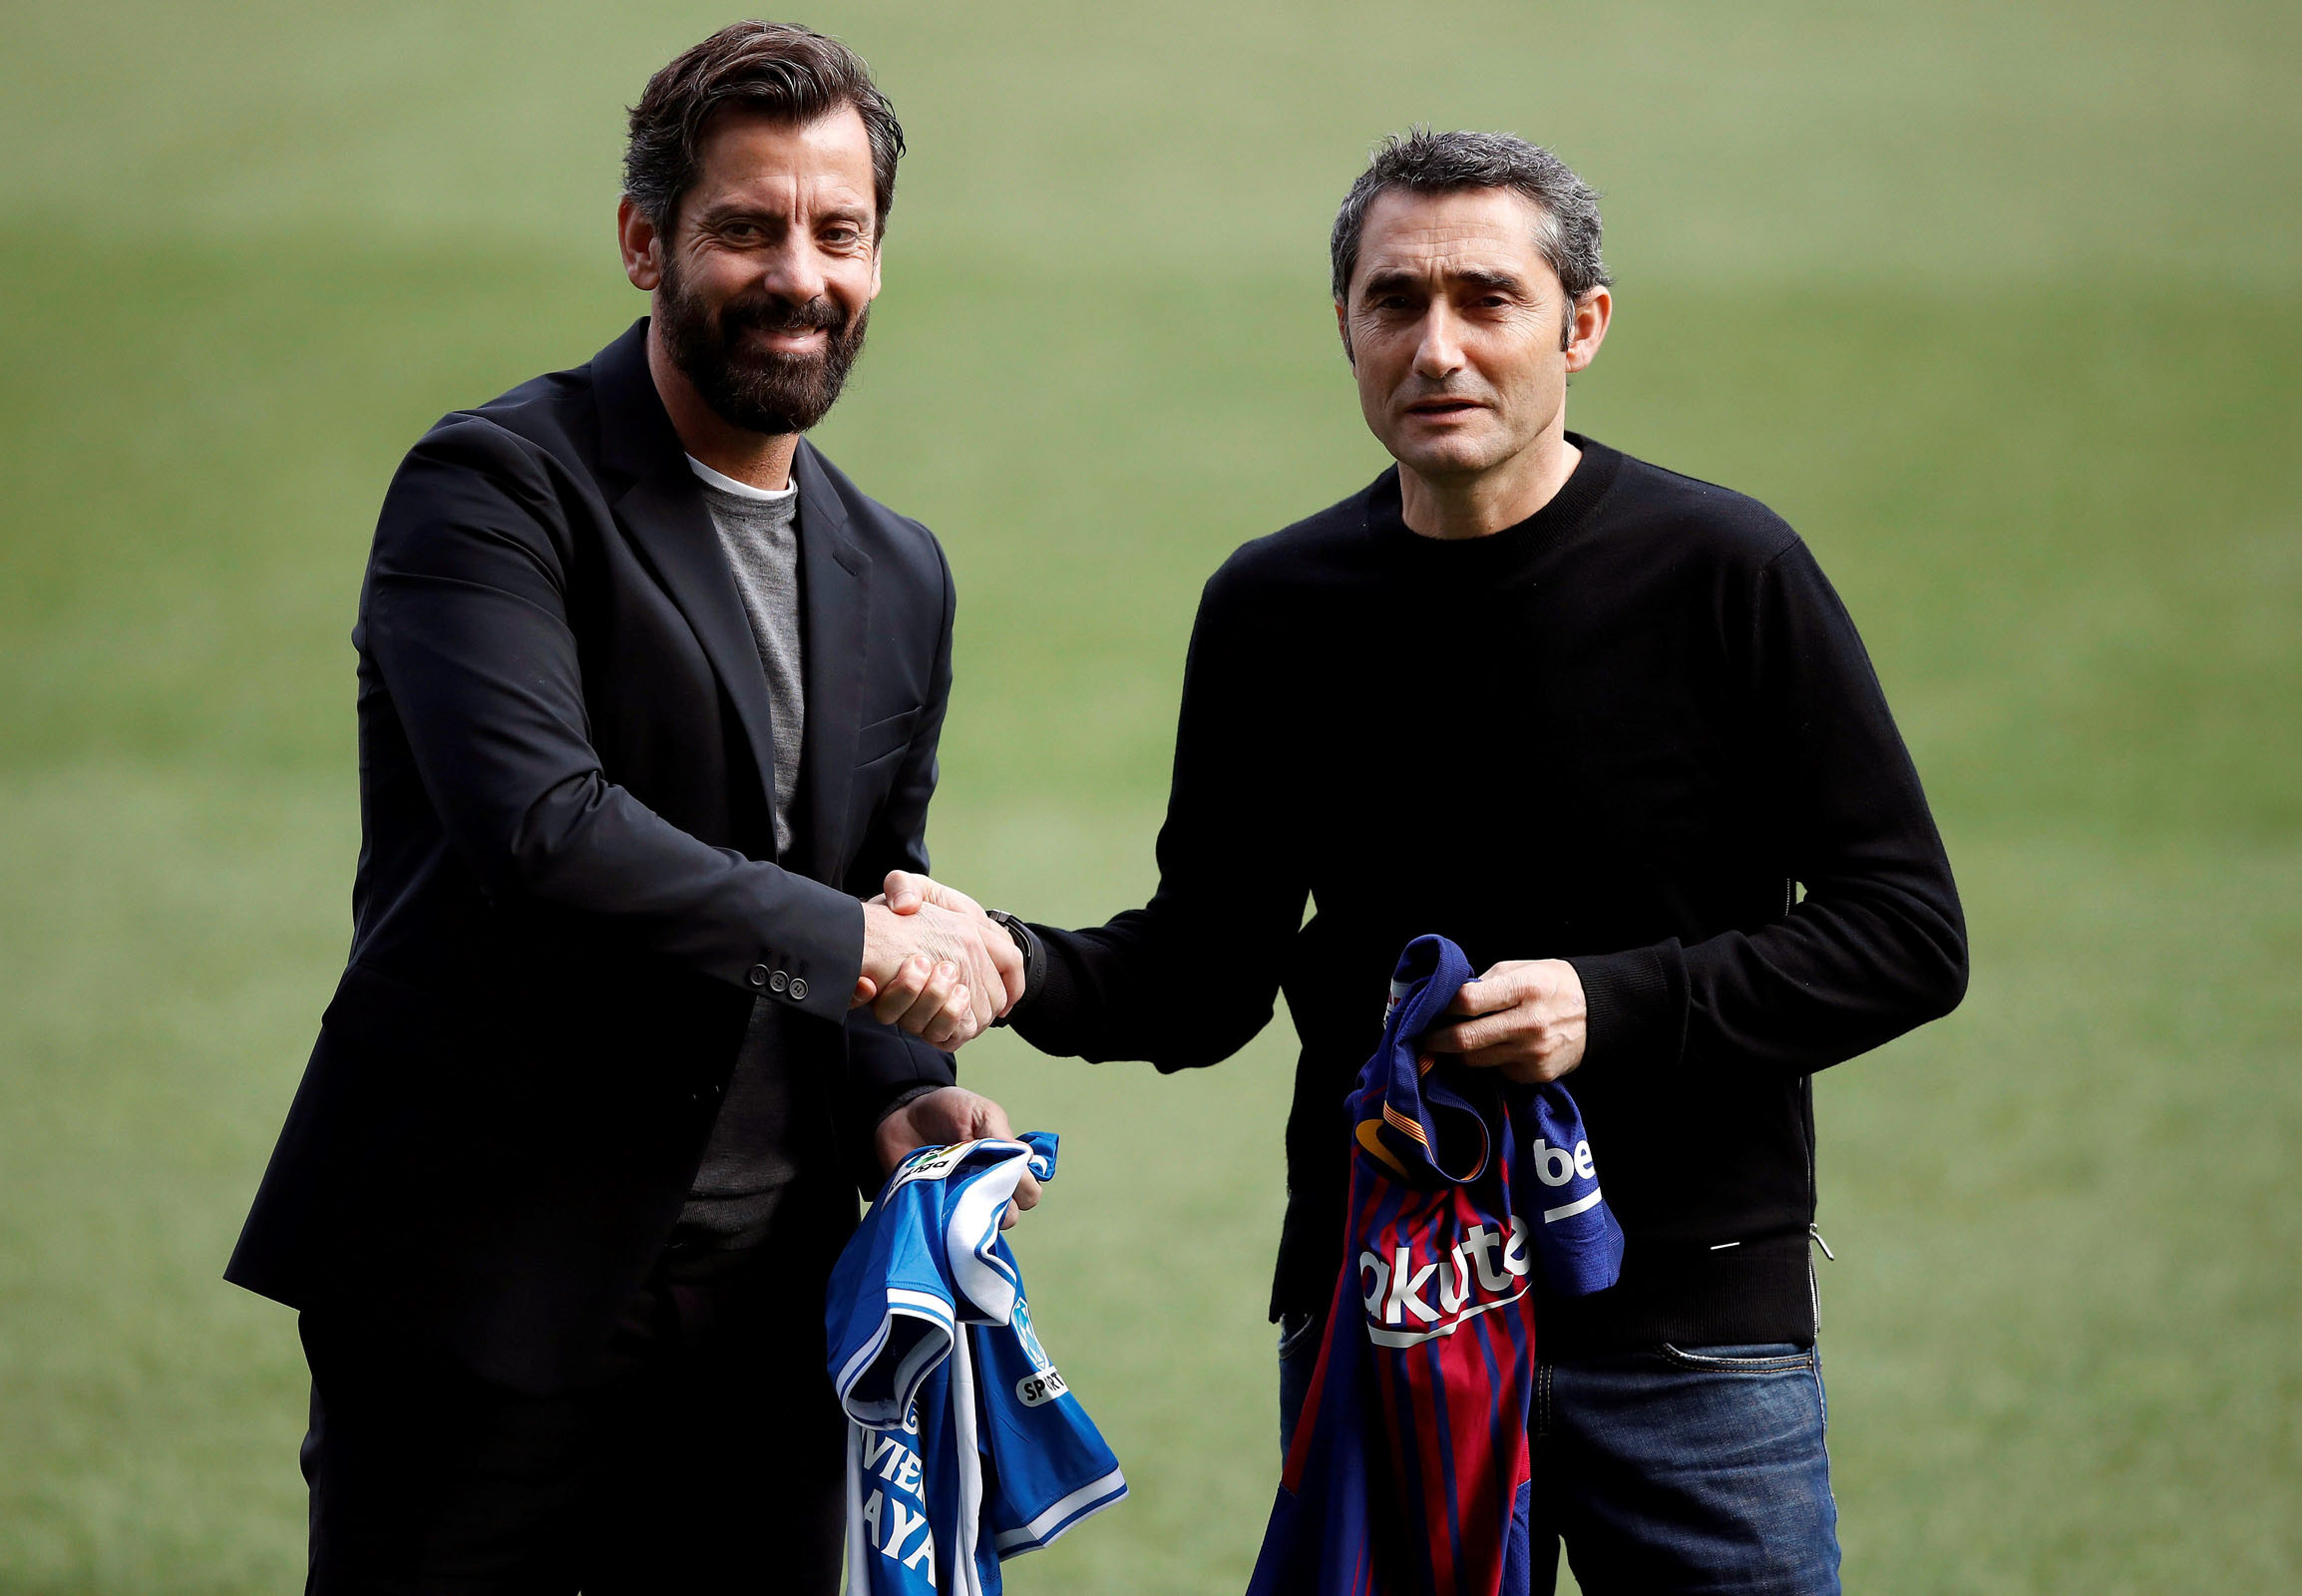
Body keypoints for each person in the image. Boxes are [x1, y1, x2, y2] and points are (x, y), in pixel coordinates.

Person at [886, 130, 1968, 1594]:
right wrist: (1017, 961)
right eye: (1396, 302)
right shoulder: (1278, 606)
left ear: (1581, 326)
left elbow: (1906, 932)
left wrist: (1613, 1007)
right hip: (1389, 1306)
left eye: (1488, 301)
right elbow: (1206, 972)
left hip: (1688, 1327)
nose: (1438, 348)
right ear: (1344, 325)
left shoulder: (1727, 574)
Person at [224, 23, 1031, 1594]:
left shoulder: (901, 567)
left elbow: (865, 868)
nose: (799, 273)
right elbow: (543, 827)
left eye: (839, 232)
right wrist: (868, 948)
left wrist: (895, 1092)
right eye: (746, 227)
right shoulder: (493, 489)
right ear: (643, 241)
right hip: (481, 1286)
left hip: (760, 1314)